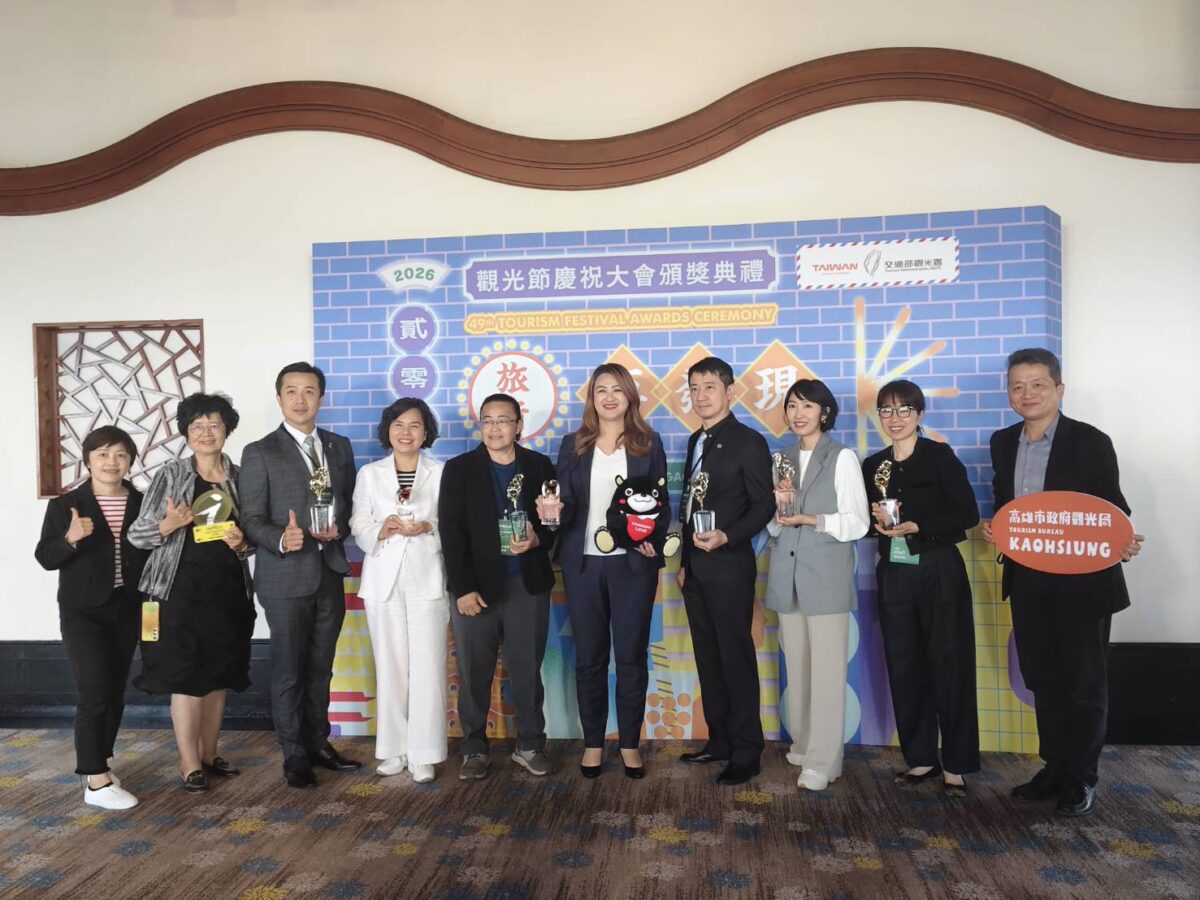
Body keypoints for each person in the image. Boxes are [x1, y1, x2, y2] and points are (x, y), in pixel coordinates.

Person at [985, 348, 1142, 817]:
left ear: (1059, 389)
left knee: (1083, 683)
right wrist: (997, 528)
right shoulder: (1002, 442)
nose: (1027, 394)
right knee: (1043, 679)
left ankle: (1081, 777)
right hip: (1028, 581)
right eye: (1017, 386)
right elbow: (1005, 505)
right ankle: (1053, 768)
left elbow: (1112, 508)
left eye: (1037, 384)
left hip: (1084, 585)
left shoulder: (1090, 441)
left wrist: (1121, 540)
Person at [543, 363, 668, 779]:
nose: (609, 397)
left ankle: (630, 744)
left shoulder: (648, 443)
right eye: (601, 390)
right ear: (592, 398)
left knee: (631, 657)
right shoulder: (573, 444)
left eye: (617, 389)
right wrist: (553, 512)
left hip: (633, 565)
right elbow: (565, 503)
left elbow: (661, 502)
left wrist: (654, 537)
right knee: (590, 659)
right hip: (584, 564)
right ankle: (593, 743)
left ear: (630, 396)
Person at [240, 362, 360, 789]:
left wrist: (339, 528)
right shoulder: (260, 451)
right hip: (285, 577)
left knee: (321, 667)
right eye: (291, 391)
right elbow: (250, 519)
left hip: (329, 571)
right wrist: (280, 538)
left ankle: (319, 743)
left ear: (320, 398)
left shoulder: (339, 447)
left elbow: (348, 505)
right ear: (279, 398)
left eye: (309, 391)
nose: (300, 399)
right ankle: (293, 754)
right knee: (289, 670)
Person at [128, 393, 255, 792]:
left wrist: (243, 543)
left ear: (227, 430)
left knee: (217, 675)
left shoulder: (241, 476)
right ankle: (188, 763)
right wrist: (168, 524)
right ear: (186, 432)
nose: (206, 433)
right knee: (185, 677)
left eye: (214, 425)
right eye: (197, 426)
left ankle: (210, 753)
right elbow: (137, 535)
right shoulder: (170, 474)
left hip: (227, 592)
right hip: (173, 594)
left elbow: (252, 537)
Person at [861, 380, 980, 798]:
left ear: (920, 414)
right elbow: (865, 521)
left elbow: (967, 513)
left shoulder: (939, 456)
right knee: (904, 663)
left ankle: (957, 764)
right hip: (894, 570)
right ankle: (921, 758)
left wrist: (920, 526)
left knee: (950, 664)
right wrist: (875, 522)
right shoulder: (874, 465)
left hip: (938, 567)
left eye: (904, 410)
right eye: (886, 411)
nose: (895, 419)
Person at [438, 393, 557, 781]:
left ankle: (530, 744)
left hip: (527, 583)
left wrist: (538, 539)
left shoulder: (540, 465)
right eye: (487, 420)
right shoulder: (460, 469)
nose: (494, 428)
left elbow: (553, 521)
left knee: (527, 670)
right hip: (477, 588)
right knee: (474, 672)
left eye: (503, 420)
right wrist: (463, 589)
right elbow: (451, 534)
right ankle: (474, 748)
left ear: (519, 426)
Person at [35, 426, 150, 810]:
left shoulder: (142, 501)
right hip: (83, 611)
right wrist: (69, 539)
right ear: (88, 460)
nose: (111, 462)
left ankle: (100, 761)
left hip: (128, 607)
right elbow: (45, 557)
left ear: (130, 461)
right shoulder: (67, 505)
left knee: (115, 690)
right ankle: (96, 780)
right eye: (102, 454)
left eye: (120, 455)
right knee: (93, 691)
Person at [765, 379, 869, 792]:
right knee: (799, 669)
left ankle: (825, 760)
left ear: (824, 413)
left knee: (827, 672)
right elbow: (775, 525)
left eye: (808, 406)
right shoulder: (782, 460)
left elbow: (858, 522)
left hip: (825, 577)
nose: (798, 413)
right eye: (792, 405)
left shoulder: (842, 457)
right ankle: (805, 744)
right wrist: (779, 513)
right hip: (787, 576)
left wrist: (811, 519)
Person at [676, 357, 775, 785]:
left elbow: (764, 505)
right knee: (708, 658)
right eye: (694, 388)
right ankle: (719, 740)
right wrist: (684, 564)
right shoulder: (694, 441)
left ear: (730, 392)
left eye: (710, 387)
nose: (701, 396)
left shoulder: (748, 442)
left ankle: (747, 751)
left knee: (735, 658)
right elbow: (689, 507)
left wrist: (727, 536)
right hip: (696, 570)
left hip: (731, 566)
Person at [350, 398, 449, 783]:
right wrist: (381, 528)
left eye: (415, 425)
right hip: (383, 579)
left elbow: (451, 523)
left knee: (428, 666)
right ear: (387, 430)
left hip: (427, 576)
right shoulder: (370, 474)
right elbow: (358, 521)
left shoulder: (440, 472)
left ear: (426, 433)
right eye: (398, 425)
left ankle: (424, 753)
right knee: (390, 667)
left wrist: (429, 527)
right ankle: (394, 749)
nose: (406, 432)